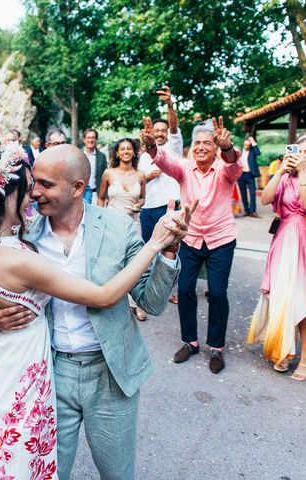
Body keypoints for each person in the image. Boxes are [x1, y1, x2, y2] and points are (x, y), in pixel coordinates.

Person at [0, 145, 188, 480]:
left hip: (110, 374)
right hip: (49, 374)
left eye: (45, 184)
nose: (34, 192)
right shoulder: (24, 233)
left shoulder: (118, 228)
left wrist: (169, 249)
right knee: (47, 472)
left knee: (118, 474)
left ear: (77, 187)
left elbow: (152, 302)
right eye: (32, 185)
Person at [146, 116, 242, 373]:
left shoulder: (224, 168)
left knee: (218, 293)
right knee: (186, 290)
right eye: (197, 142)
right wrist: (151, 147)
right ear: (191, 147)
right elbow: (164, 161)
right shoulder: (184, 168)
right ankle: (190, 342)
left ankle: (217, 347)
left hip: (221, 239)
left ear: (215, 147)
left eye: (207, 143)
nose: (201, 147)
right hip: (190, 238)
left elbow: (234, 165)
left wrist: (228, 148)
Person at [247, 136, 306, 379]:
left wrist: (303, 173)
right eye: (299, 150)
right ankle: (282, 351)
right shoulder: (285, 176)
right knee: (282, 298)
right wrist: (281, 169)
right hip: (283, 241)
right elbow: (265, 199)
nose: (303, 155)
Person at [98, 138, 148, 321]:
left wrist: (139, 205)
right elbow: (101, 199)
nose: (126, 152)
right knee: (114, 263)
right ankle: (115, 303)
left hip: (134, 223)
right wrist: (100, 220)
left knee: (135, 264)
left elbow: (143, 198)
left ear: (134, 152)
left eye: (129, 149)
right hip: (111, 223)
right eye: (122, 149)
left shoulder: (141, 175)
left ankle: (137, 305)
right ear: (117, 153)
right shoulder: (108, 174)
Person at [138, 86, 182, 243]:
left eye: (164, 130)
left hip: (169, 205)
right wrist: (147, 177)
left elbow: (174, 127)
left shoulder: (173, 147)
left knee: (170, 246)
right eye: (156, 130)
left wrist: (170, 105)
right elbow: (138, 182)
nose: (159, 133)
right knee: (148, 246)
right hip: (148, 207)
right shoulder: (143, 157)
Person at [237, 136, 261, 217]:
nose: (246, 147)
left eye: (248, 145)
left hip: (250, 175)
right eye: (245, 145)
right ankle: (246, 210)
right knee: (243, 194)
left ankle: (252, 211)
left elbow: (258, 153)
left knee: (252, 193)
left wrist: (253, 142)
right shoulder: (239, 151)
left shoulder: (253, 151)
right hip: (241, 175)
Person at [81, 128, 107, 204]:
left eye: (93, 137)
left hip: (96, 194)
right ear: (84, 139)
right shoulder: (78, 154)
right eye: (88, 137)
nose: (91, 140)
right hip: (80, 194)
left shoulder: (102, 156)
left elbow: (105, 177)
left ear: (96, 139)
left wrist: (105, 197)